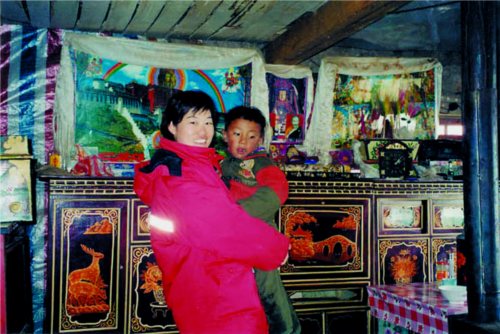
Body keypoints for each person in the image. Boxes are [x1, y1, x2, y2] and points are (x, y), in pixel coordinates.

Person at [134, 90, 290, 334]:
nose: (203, 131)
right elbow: (222, 228)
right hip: (213, 289)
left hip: (208, 281)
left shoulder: (195, 164)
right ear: (172, 126)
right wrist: (276, 247)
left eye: (208, 122)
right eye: (193, 122)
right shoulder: (179, 173)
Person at [221, 106, 301, 334]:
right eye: (237, 134)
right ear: (225, 134)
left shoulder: (262, 164)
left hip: (259, 235)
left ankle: (287, 330)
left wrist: (236, 214)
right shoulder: (220, 165)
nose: (243, 141)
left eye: (252, 136)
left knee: (268, 289)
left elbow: (278, 190)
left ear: (261, 139)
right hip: (231, 237)